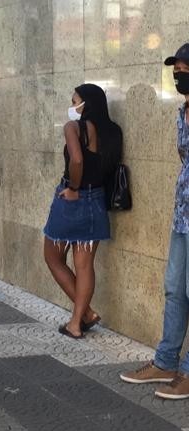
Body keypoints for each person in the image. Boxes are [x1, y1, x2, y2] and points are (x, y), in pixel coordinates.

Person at [121, 44, 189, 396]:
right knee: (175, 288)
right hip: (183, 215)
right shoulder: (182, 111)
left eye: (183, 68)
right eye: (175, 68)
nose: (178, 74)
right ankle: (165, 363)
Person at [42, 83, 121, 338]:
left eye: (74, 99)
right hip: (97, 200)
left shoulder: (73, 127)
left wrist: (74, 187)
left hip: (73, 201)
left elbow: (77, 160)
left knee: (53, 257)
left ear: (85, 103)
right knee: (85, 266)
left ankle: (84, 316)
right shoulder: (112, 131)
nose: (72, 104)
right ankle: (78, 321)